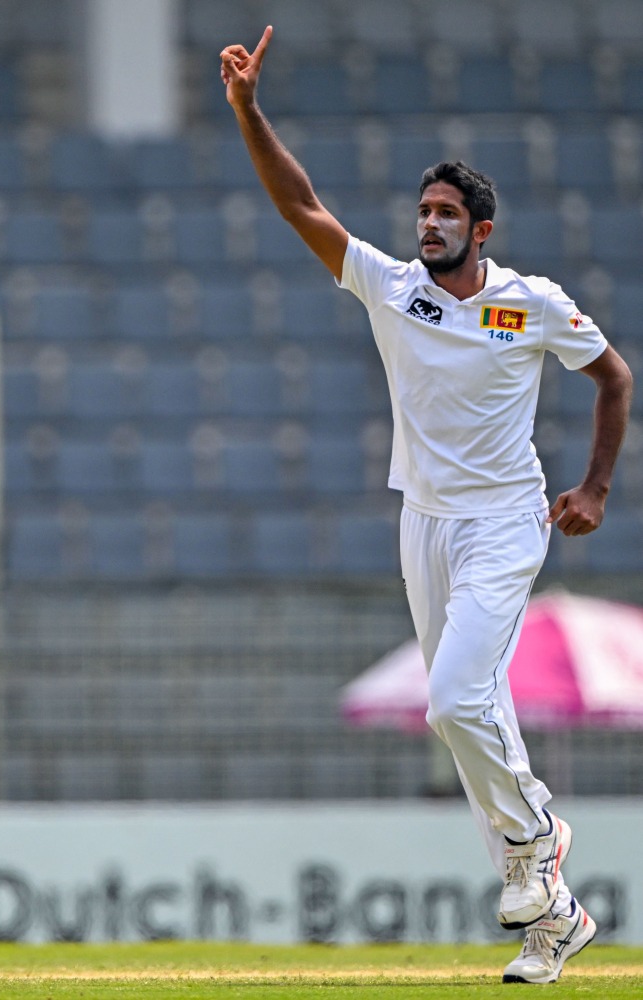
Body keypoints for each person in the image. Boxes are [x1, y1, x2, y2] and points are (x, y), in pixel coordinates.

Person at [220, 26, 633, 984]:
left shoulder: (529, 302)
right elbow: (299, 203)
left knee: (452, 698)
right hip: (424, 522)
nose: (429, 224)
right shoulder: (392, 288)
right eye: (423, 211)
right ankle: (552, 918)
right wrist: (248, 111)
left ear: (481, 231)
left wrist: (595, 487)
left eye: (447, 214)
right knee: (466, 720)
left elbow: (613, 377)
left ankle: (537, 837)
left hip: (505, 523)